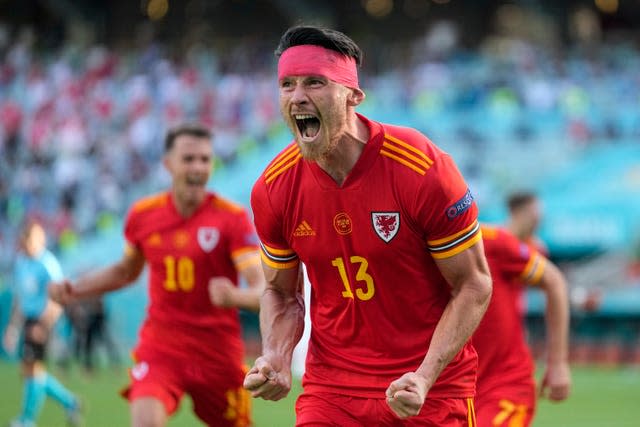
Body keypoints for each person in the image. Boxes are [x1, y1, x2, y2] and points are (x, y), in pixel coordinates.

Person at [243, 25, 493, 426]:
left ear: (353, 97)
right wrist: (276, 354)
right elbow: (280, 292)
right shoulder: (274, 189)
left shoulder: (421, 167)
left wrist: (425, 376)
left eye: (315, 82)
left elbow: (474, 284)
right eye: (287, 85)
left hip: (426, 389)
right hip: (332, 390)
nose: (298, 96)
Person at [49, 123, 266, 427]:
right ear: (168, 164)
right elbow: (125, 271)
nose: (198, 167)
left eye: (205, 159)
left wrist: (235, 296)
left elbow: (263, 290)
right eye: (189, 159)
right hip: (162, 346)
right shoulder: (143, 214)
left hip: (217, 351)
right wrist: (76, 289)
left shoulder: (232, 218)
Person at [473, 224, 571, 427]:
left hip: (503, 384)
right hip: (449, 390)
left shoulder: (491, 240)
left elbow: (554, 281)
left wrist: (558, 362)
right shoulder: (413, 249)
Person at [3, 219, 82, 427]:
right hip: (29, 320)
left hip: (42, 321)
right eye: (25, 238)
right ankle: (70, 402)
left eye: (31, 239)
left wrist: (43, 324)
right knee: (30, 372)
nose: (27, 243)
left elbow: (58, 298)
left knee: (33, 370)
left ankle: (27, 420)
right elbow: (20, 299)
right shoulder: (21, 262)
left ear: (40, 240)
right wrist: (13, 327)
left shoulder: (47, 264)